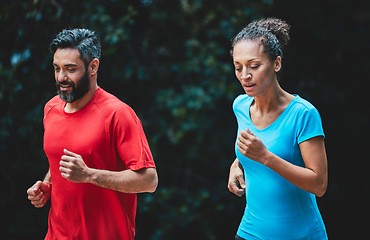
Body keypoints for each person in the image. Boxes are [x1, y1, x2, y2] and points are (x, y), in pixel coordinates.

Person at [26, 28, 158, 240]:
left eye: (70, 69)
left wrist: (89, 175)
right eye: (56, 68)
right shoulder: (50, 108)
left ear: (93, 66)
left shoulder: (117, 113)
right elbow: (60, 159)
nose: (61, 77)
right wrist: (47, 185)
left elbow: (149, 181)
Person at [227, 18, 328, 240]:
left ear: (276, 63)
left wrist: (265, 157)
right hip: (249, 232)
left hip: (299, 234)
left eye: (254, 66)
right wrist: (237, 164)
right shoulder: (240, 106)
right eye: (238, 67)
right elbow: (254, 146)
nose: (245, 75)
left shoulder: (303, 114)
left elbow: (319, 184)